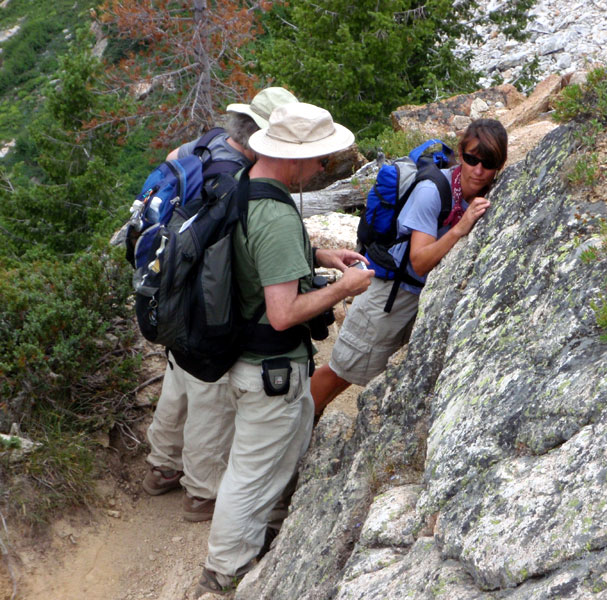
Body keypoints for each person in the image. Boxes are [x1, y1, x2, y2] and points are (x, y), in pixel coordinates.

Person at [195, 102, 373, 597]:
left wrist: (318, 255)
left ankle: (258, 538)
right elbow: (282, 313)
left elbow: (253, 251)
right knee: (251, 474)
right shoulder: (274, 213)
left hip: (245, 357)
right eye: (320, 158)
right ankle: (224, 570)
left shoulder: (244, 184)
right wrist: (345, 287)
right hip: (268, 367)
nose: (323, 167)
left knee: (266, 461)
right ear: (294, 158)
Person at [142, 87, 298, 523]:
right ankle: (201, 492)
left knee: (179, 379)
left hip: (171, 292)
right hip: (205, 305)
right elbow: (239, 253)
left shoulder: (204, 144)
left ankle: (161, 467)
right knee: (210, 397)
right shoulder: (237, 181)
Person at [311, 118, 508, 413]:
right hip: (390, 291)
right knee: (342, 371)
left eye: (488, 163)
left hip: (418, 297)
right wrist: (460, 228)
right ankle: (298, 424)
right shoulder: (433, 191)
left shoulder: (486, 193)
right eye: (471, 159)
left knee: (368, 373)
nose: (479, 170)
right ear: (461, 154)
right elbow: (420, 260)